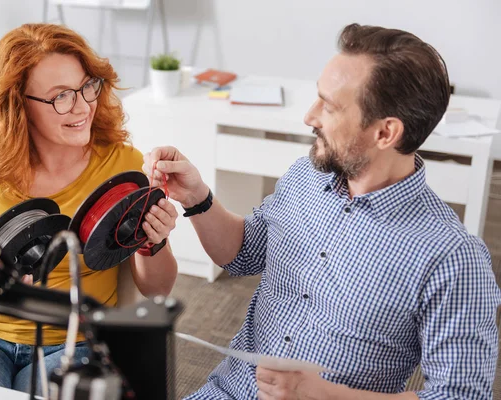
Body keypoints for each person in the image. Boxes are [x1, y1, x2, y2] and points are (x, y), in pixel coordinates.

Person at [144, 23, 501, 399]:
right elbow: (244, 253)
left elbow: (460, 395)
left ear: (385, 133)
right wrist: (197, 198)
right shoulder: (305, 178)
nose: (309, 116)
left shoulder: (453, 258)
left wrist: (322, 394)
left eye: (329, 106)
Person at [0, 23, 178, 393]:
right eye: (61, 96)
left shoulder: (124, 165)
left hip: (75, 338)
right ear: (18, 105)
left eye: (86, 87)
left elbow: (157, 288)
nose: (82, 107)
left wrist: (151, 241)